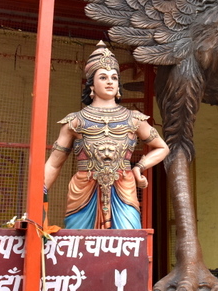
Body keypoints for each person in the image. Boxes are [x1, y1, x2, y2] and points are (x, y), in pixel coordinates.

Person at [44, 41, 169, 229]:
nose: (110, 81)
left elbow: (162, 147)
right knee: (80, 246)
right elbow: (54, 162)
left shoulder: (133, 119)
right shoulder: (75, 122)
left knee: (127, 242)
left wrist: (139, 167)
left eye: (114, 77)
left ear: (119, 85)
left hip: (123, 188)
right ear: (91, 84)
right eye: (103, 77)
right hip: (84, 190)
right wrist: (39, 190)